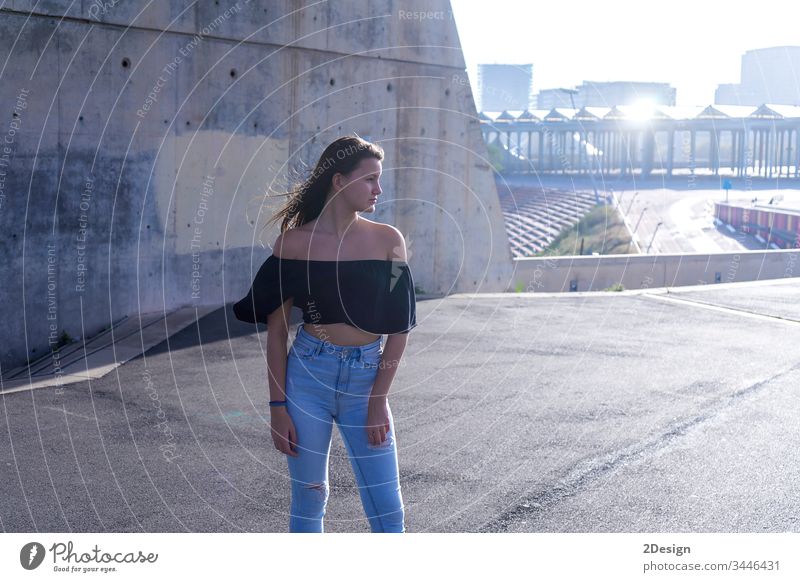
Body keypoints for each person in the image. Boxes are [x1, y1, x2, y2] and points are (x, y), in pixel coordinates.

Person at [233, 135, 417, 533]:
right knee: (310, 497)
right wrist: (277, 408)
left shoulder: (390, 242)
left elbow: (400, 328)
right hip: (307, 380)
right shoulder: (292, 245)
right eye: (369, 179)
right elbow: (278, 332)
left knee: (388, 506)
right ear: (338, 181)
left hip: (367, 378)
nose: (378, 189)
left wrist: (377, 400)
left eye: (379, 179)